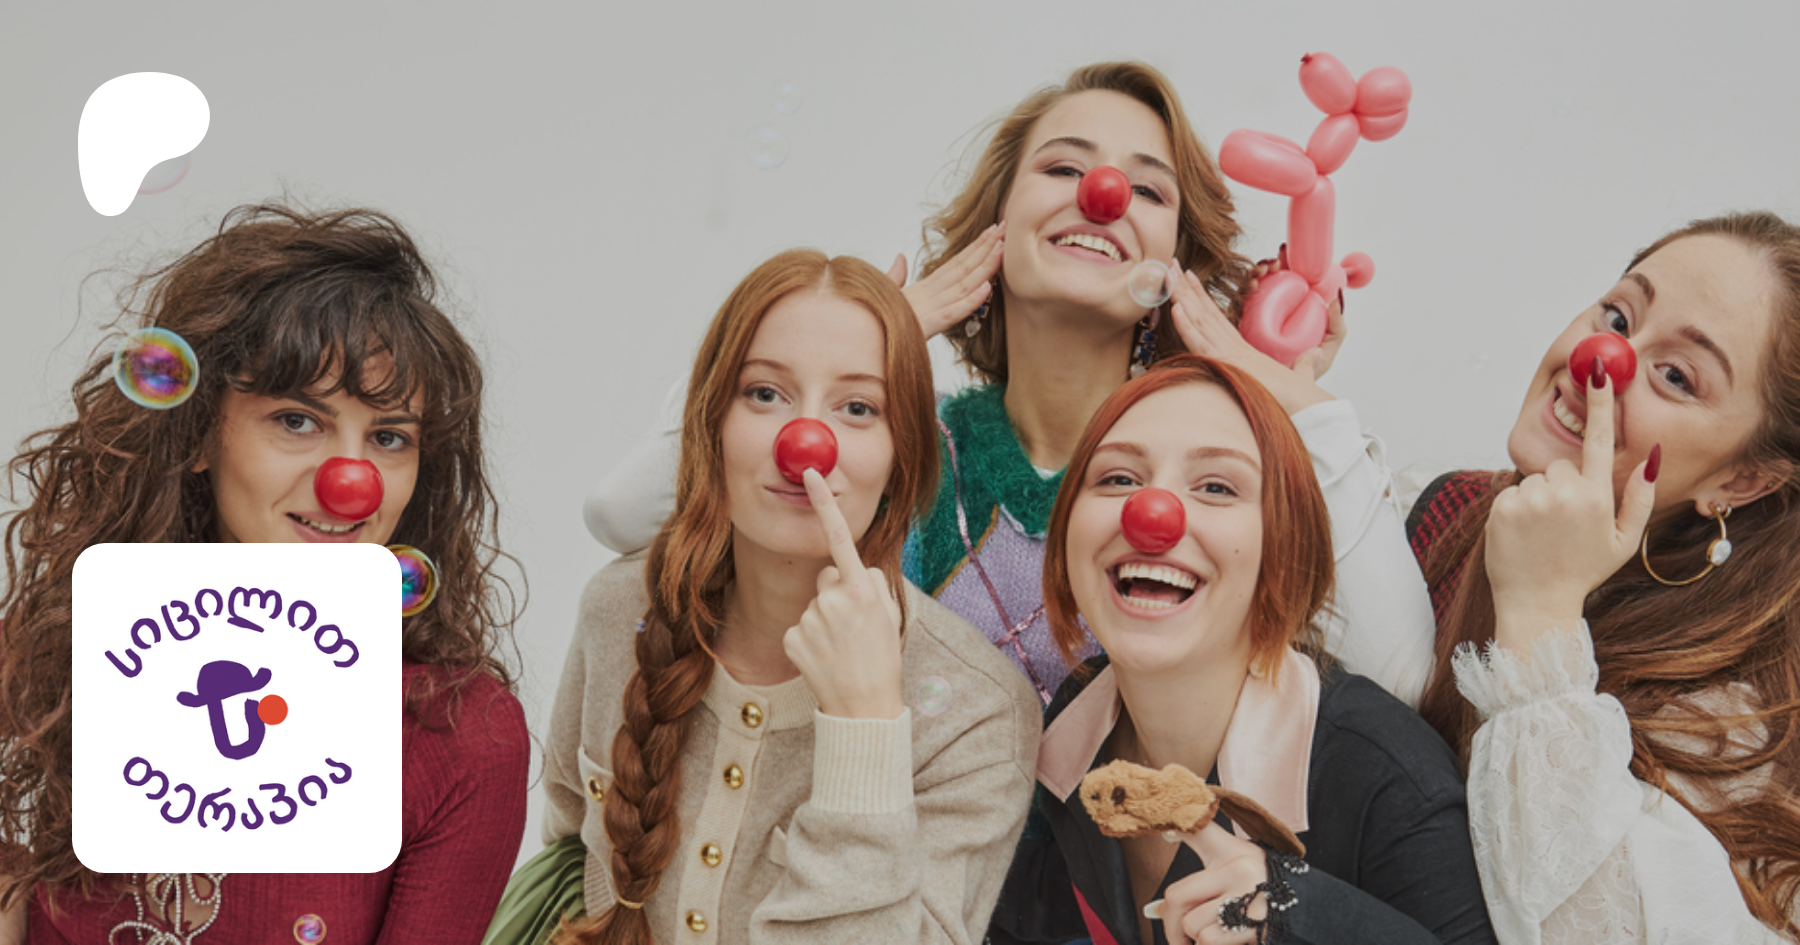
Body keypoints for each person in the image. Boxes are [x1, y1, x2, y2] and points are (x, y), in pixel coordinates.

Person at [582, 62, 1418, 706]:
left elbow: (1402, 676)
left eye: (1147, 189)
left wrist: (1294, 403)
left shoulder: (1219, 484)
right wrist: (869, 335)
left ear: (1177, 265)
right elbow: (624, 516)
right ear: (998, 224)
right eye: (1062, 168)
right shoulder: (894, 447)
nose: (1103, 196)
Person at [1187, 212, 1800, 941]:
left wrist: (1541, 610)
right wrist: (1283, 407)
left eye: (1676, 376)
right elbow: (1403, 706)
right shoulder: (1437, 514)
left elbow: (1574, 919)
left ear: (1743, 479)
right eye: (1617, 316)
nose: (1601, 359)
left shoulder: (1742, 725)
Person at [0, 204, 529, 944]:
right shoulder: (57, 651)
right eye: (297, 420)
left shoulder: (458, 733)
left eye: (388, 437)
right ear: (196, 434)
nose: (352, 483)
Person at [497, 249, 1038, 945]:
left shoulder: (979, 711)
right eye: (764, 394)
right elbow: (572, 866)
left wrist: (864, 727)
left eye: (857, 407)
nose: (804, 442)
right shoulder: (617, 609)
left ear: (902, 453)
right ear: (711, 424)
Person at [987, 355, 1494, 945]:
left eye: (1216, 487)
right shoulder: (1070, 722)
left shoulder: (1384, 774)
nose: (1152, 514)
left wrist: (1295, 912)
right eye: (1119, 479)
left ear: (1283, 548)